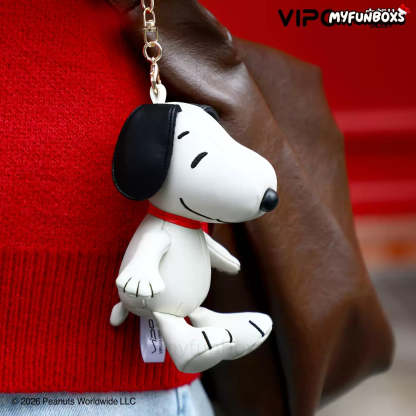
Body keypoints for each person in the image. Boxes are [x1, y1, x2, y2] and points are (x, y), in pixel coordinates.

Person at [0, 0, 393, 415]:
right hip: (67, 338)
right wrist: (141, 271)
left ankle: (213, 325)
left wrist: (219, 255)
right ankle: (188, 337)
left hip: (153, 377)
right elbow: (149, 253)